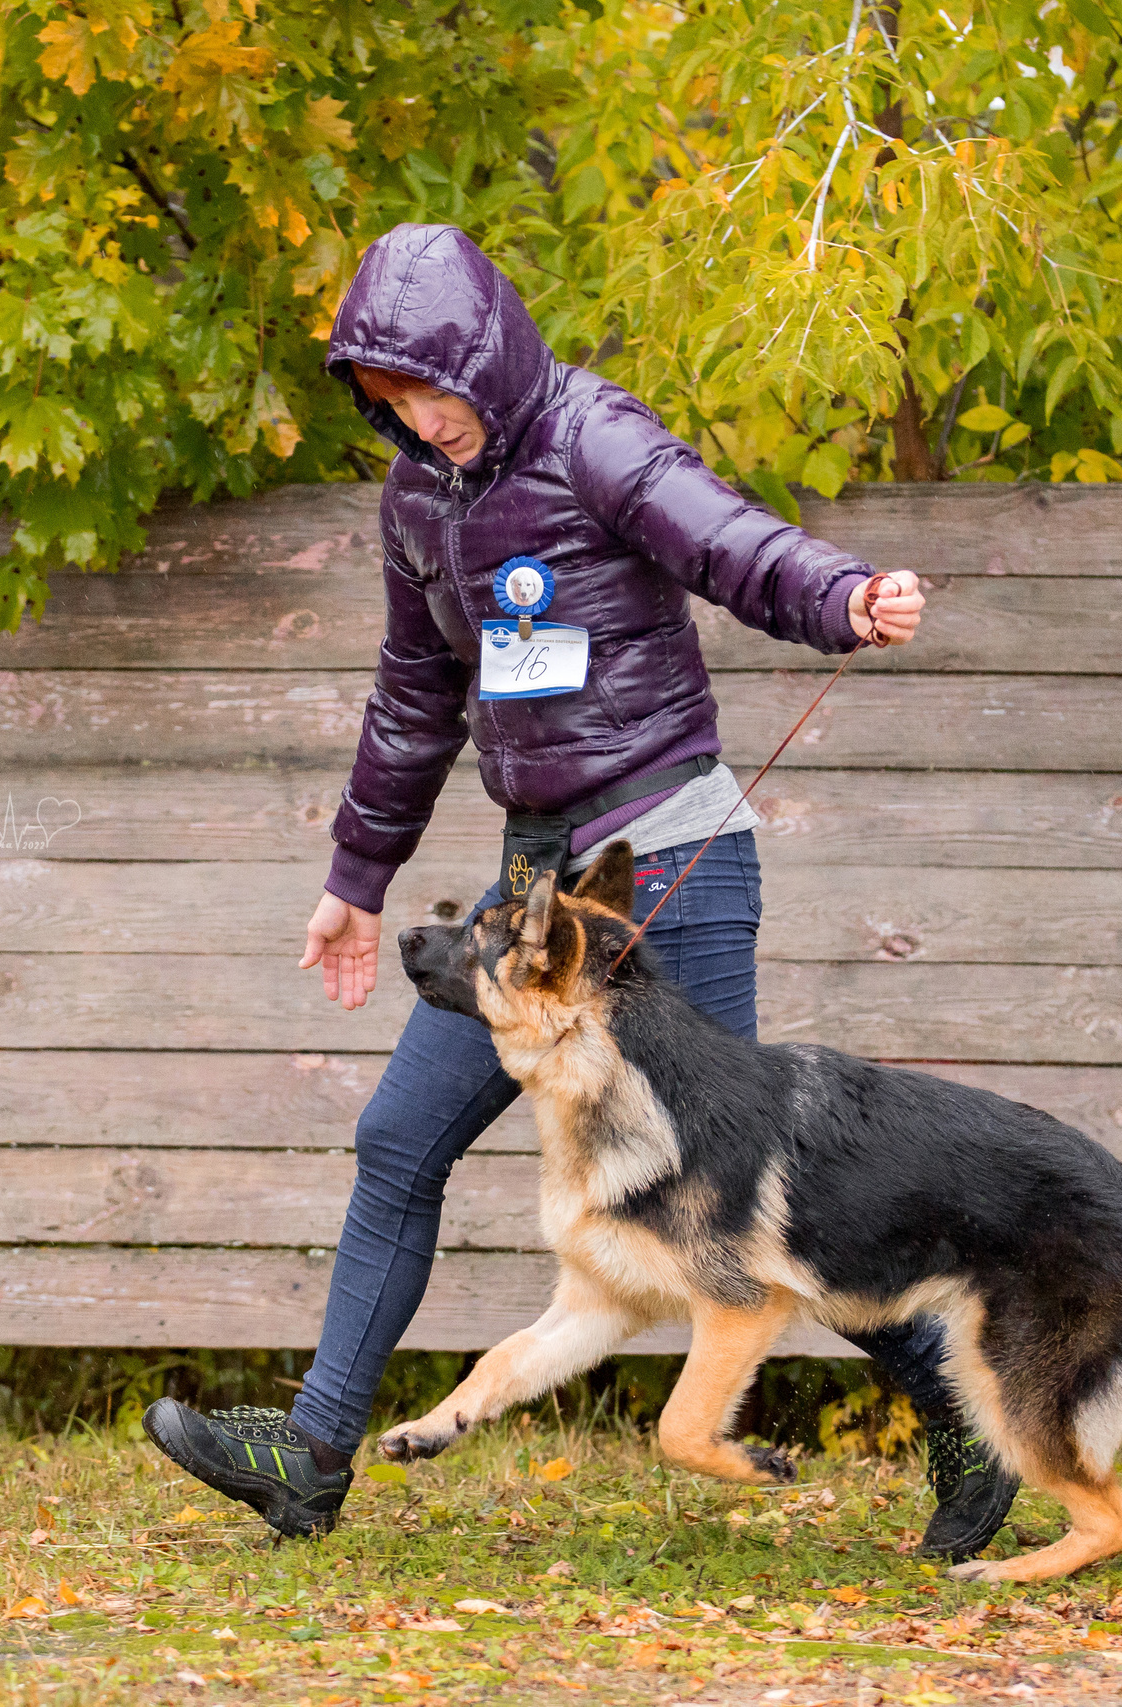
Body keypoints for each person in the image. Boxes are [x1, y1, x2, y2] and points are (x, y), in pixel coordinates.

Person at [143, 223, 1020, 1558]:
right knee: (399, 1142)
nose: (420, 421)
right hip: (533, 880)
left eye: (433, 391)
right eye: (390, 402)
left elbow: (729, 543)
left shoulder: (592, 433)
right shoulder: (416, 499)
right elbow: (411, 694)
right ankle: (312, 1457)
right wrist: (357, 880)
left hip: (668, 861)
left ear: (485, 355)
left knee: (754, 1195)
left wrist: (843, 595)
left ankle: (968, 1432)